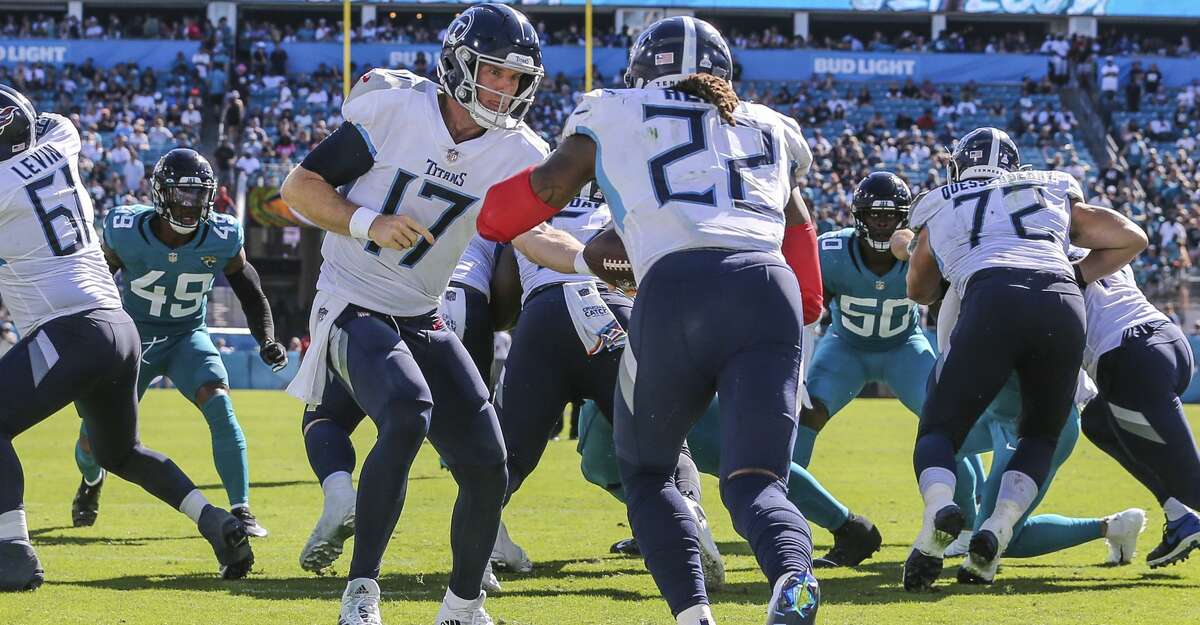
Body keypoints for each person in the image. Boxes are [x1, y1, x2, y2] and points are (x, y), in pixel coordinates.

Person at [476, 16, 823, 625]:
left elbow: (548, 188)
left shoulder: (614, 110)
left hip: (677, 288)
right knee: (756, 483)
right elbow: (800, 235)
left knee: (647, 471)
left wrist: (488, 217)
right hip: (769, 293)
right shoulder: (770, 125)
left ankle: (694, 616)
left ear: (640, 71)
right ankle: (793, 573)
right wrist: (805, 309)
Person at [279, 5, 550, 624]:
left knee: (487, 462)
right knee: (406, 413)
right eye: (494, 73)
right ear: (458, 65)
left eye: (516, 79)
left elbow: (533, 239)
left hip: (422, 312)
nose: (505, 89)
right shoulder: (397, 109)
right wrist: (366, 221)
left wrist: (594, 260)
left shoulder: (518, 151)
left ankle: (461, 608)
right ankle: (361, 594)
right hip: (351, 299)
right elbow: (299, 187)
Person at [0, 85, 253, 591]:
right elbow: (47, 122)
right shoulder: (63, 139)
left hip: (70, 329)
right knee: (122, 453)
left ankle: (12, 552)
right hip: (119, 327)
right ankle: (215, 522)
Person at [901, 127, 1148, 591]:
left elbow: (917, 289)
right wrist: (1075, 274)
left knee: (938, 430)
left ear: (958, 166)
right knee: (1039, 436)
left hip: (993, 297)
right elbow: (1128, 235)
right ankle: (997, 528)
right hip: (1060, 299)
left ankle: (938, 513)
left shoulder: (941, 201)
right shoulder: (1048, 188)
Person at [493, 183, 721, 585]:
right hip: (613, 309)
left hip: (544, 315)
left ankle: (486, 543)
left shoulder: (527, 203)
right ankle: (688, 514)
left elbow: (504, 296)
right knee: (664, 445)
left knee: (505, 455)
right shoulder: (628, 195)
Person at [71, 149, 287, 537]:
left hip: (187, 335)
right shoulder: (124, 228)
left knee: (220, 406)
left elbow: (251, 292)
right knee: (92, 438)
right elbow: (96, 283)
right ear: (161, 194)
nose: (190, 205)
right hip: (132, 340)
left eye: (198, 195)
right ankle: (91, 482)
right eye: (181, 194)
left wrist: (266, 338)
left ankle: (241, 509)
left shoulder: (221, 235)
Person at [794, 172, 982, 567]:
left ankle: (966, 522)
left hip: (905, 348)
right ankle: (786, 506)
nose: (882, 223)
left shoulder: (925, 250)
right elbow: (808, 310)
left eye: (890, 216)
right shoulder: (830, 251)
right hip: (846, 347)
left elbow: (958, 297)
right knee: (804, 413)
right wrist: (800, 368)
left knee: (946, 423)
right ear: (858, 217)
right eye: (874, 216)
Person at [1074, 250, 1200, 569]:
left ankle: (1184, 507)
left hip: (1129, 361)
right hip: (1167, 339)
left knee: (1192, 484)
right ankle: (1179, 516)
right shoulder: (1094, 240)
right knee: (1097, 420)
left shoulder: (1040, 257)